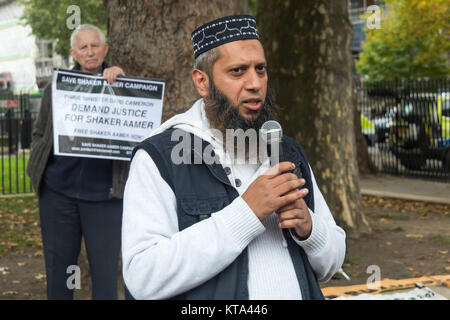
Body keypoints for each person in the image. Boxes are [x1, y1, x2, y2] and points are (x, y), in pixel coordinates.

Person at [122, 14, 346, 300]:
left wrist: (309, 228)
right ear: (202, 82)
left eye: (261, 69)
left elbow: (332, 263)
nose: (255, 83)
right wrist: (246, 214)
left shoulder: (288, 152)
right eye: (238, 71)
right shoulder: (160, 159)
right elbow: (143, 277)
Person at [27, 24, 129, 300]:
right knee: (60, 273)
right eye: (83, 47)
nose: (90, 52)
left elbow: (135, 127)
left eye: (95, 45)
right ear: (74, 53)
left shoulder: (122, 86)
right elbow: (40, 132)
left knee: (105, 276)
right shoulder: (56, 87)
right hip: (58, 194)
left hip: (106, 197)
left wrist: (122, 83)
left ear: (105, 49)